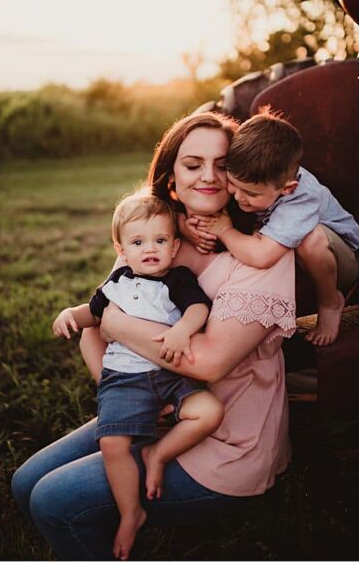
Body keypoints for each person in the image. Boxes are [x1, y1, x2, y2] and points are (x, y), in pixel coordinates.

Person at [13, 112, 297, 561]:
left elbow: (205, 362)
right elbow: (94, 330)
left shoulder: (265, 255)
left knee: (53, 502)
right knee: (24, 483)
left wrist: (118, 326)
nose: (208, 176)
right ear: (170, 180)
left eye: (222, 164)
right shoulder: (154, 238)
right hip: (146, 404)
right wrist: (119, 395)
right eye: (192, 164)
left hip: (223, 438)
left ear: (241, 171)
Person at [52, 191, 223, 561]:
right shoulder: (117, 284)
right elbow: (92, 314)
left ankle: (159, 453)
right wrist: (70, 314)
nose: (151, 249)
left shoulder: (178, 278)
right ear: (122, 249)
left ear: (175, 246)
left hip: (169, 373)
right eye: (138, 242)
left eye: (160, 240)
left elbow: (198, 308)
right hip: (125, 377)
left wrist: (182, 331)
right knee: (112, 444)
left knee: (209, 412)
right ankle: (132, 512)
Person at [192, 107, 359, 347]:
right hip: (296, 258)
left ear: (287, 189)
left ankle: (330, 302)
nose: (238, 197)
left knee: (310, 239)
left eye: (251, 194)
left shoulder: (301, 197)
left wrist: (224, 230)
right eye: (233, 184)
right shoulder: (256, 179)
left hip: (341, 260)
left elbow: (262, 255)